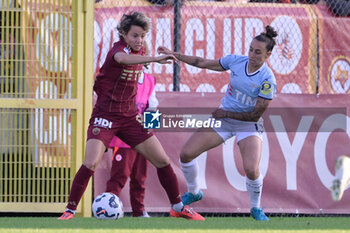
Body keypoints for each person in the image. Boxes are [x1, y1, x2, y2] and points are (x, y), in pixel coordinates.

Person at [58, 11, 204, 221]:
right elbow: (122, 58)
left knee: (162, 160)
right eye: (135, 35)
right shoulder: (118, 51)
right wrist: (155, 57)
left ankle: (177, 206)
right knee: (91, 163)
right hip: (105, 117)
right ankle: (69, 211)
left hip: (130, 118)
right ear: (124, 34)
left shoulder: (143, 55)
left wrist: (159, 54)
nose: (139, 40)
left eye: (142, 36)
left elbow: (150, 99)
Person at [158, 25, 278, 221]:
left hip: (247, 124)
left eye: (258, 52)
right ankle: (195, 192)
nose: (252, 55)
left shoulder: (267, 79)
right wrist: (174, 54)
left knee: (250, 168)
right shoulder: (236, 61)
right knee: (186, 154)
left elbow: (255, 115)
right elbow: (202, 62)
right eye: (250, 49)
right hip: (224, 119)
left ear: (268, 55)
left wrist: (226, 113)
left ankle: (256, 208)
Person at [104, 70, 158, 218]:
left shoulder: (149, 80)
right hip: (123, 138)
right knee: (119, 175)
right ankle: (108, 208)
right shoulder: (121, 77)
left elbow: (153, 104)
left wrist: (148, 127)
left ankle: (139, 211)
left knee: (140, 177)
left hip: (142, 137)